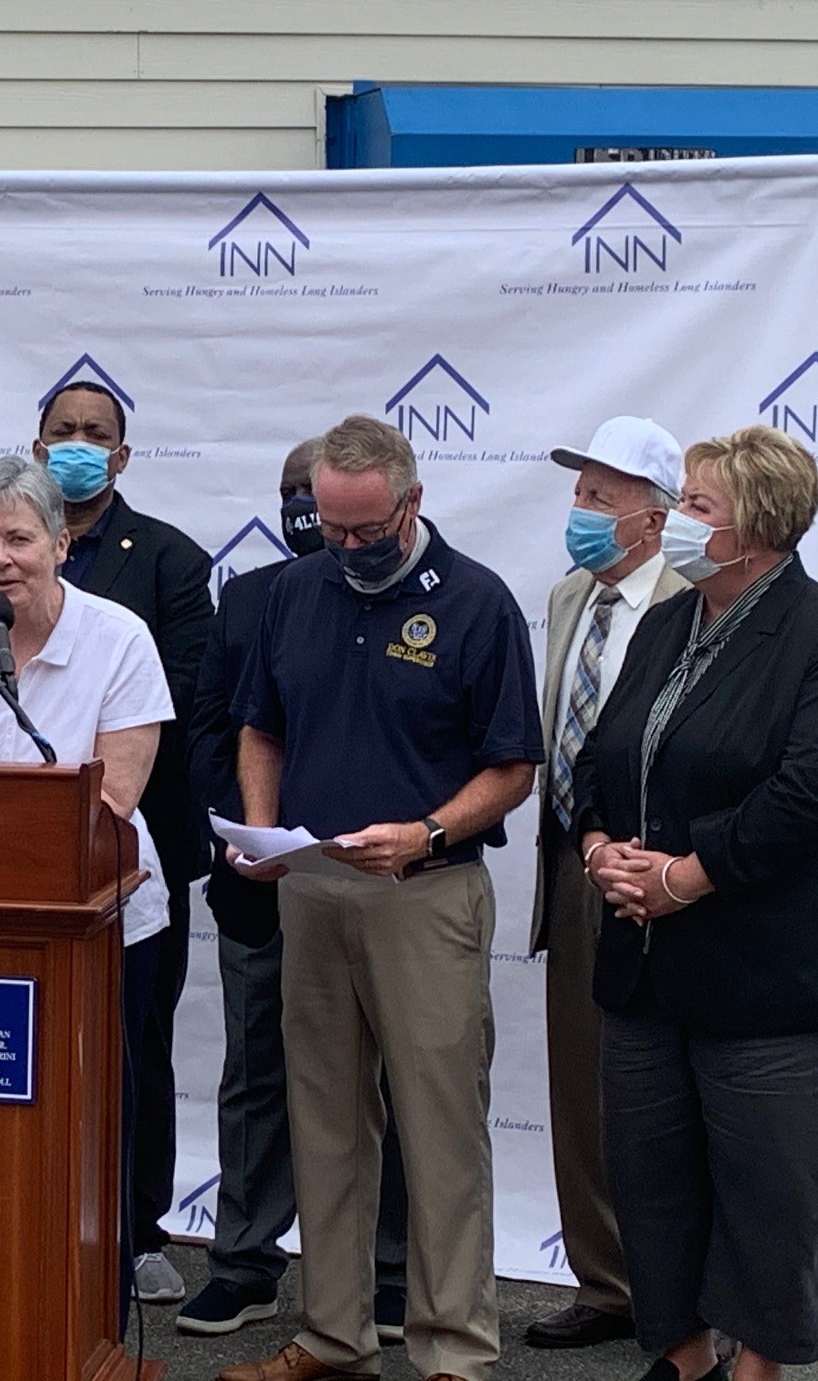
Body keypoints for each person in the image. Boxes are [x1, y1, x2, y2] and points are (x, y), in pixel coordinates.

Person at [574, 425, 818, 1381]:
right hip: (648, 970)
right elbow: (601, 759)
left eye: (695, 504)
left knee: (770, 1198)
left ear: (753, 531)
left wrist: (684, 876)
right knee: (652, 1186)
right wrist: (599, 848)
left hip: (779, 980)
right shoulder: (667, 625)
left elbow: (814, 796)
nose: (674, 517)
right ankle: (684, 1358)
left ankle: (757, 1366)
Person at [224, 415, 541, 1381]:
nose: (348, 546)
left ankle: (454, 1351)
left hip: (424, 893)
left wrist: (428, 832)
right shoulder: (296, 590)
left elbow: (513, 768)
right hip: (312, 888)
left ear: (412, 502)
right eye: (331, 527)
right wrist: (263, 831)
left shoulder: (478, 603)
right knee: (323, 1119)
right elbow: (261, 728)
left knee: (440, 1127)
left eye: (367, 529)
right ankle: (334, 1334)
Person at [0, 380, 212, 1301]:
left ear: (59, 543)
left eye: (18, 539)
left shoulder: (122, 633)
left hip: (101, 908)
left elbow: (114, 796)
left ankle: (117, 1247)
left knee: (106, 1083)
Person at [178, 438, 412, 1346]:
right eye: (291, 493)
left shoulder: (427, 598)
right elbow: (214, 729)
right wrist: (250, 834)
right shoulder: (250, 598)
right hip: (262, 884)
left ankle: (389, 1275)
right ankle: (243, 1262)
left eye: (314, 495)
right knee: (258, 1075)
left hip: (377, 881)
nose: (305, 514)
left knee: (388, 1077)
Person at [525, 416, 687, 1352]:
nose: (581, 509)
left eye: (602, 496)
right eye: (580, 491)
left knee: (671, 1089)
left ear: (654, 518)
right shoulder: (566, 597)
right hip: (574, 865)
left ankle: (684, 1293)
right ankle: (606, 1286)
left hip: (669, 874)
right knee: (582, 1086)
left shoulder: (693, 601)